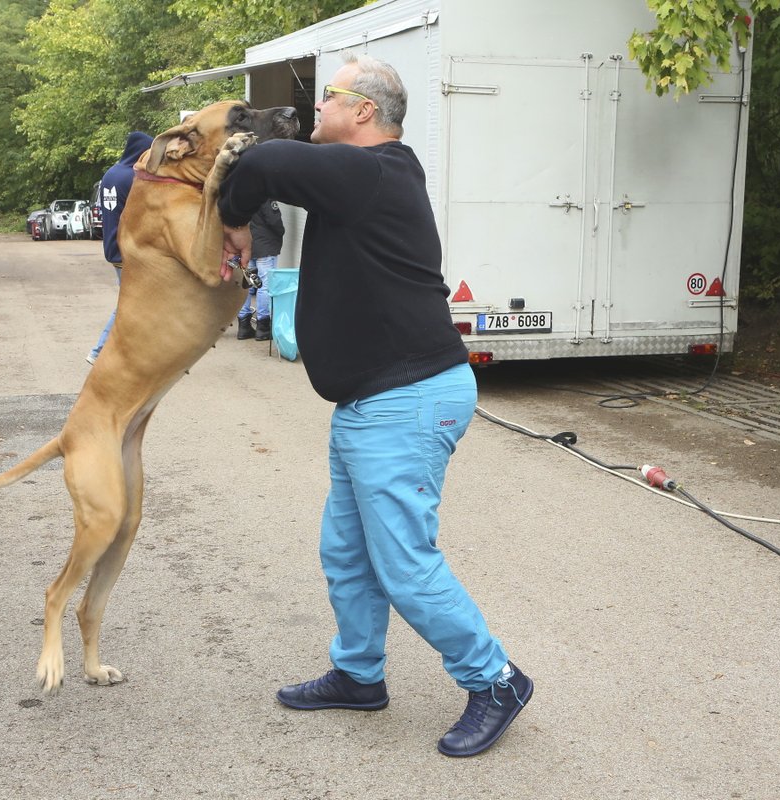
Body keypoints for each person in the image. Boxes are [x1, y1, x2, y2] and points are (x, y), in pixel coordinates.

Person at [217, 54, 532, 757]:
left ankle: (496, 679)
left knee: (403, 563)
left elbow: (263, 163)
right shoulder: (366, 180)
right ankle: (360, 675)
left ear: (363, 111)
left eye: (326, 97)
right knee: (349, 553)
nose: (314, 108)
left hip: (406, 399)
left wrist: (235, 225)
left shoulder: (371, 171)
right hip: (373, 401)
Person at [86, 131, 153, 364]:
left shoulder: (111, 173)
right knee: (130, 304)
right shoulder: (132, 178)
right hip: (128, 249)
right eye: (148, 153)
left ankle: (134, 353)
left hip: (113, 245)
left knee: (137, 303)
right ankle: (100, 351)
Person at [235, 199, 283, 341]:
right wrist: (280, 234)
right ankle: (263, 327)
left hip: (245, 247)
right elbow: (274, 221)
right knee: (265, 286)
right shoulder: (265, 195)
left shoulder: (240, 193)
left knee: (247, 285)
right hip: (265, 245)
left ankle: (243, 326)